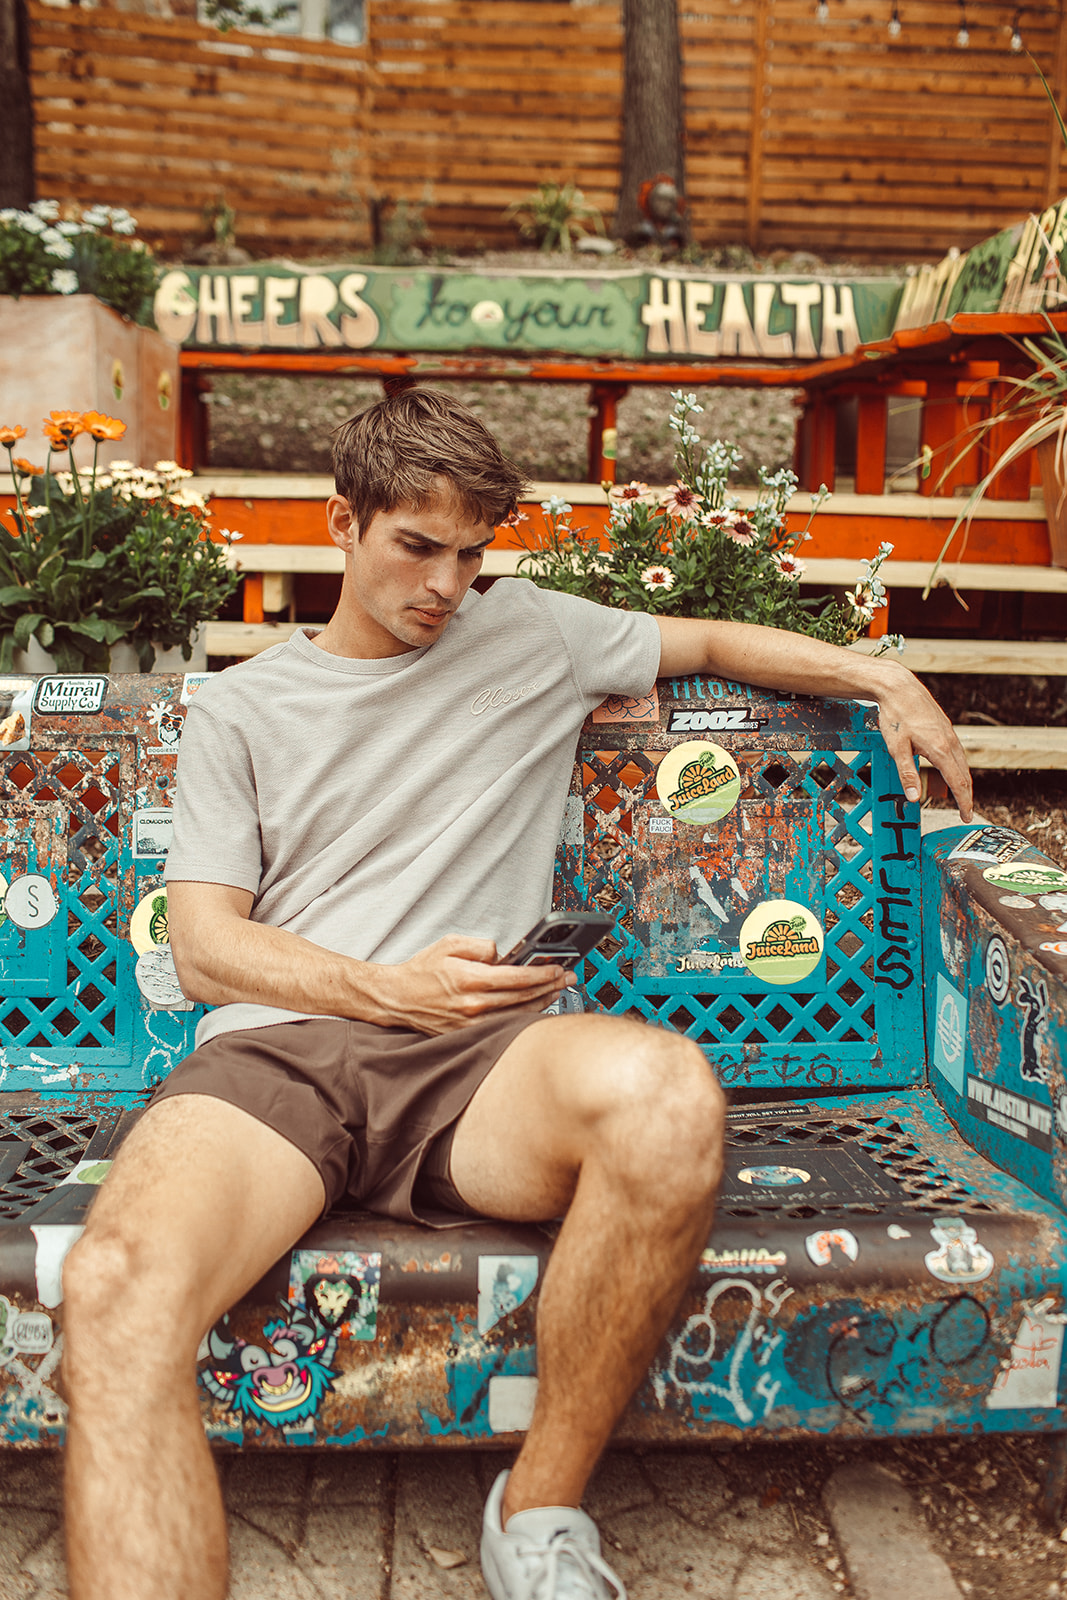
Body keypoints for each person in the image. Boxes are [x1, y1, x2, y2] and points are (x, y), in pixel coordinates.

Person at [60, 388, 973, 1600]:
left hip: (481, 1063)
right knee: (117, 1288)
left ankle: (536, 1509)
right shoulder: (241, 708)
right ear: (342, 521)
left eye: (471, 552)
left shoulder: (531, 632)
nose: (446, 582)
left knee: (663, 1095)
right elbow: (202, 942)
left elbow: (701, 639)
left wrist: (877, 674)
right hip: (279, 1060)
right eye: (416, 545)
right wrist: (381, 988)